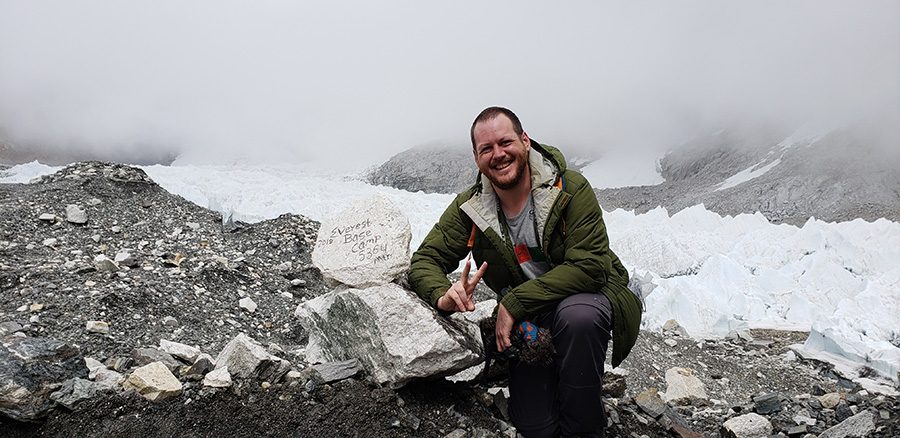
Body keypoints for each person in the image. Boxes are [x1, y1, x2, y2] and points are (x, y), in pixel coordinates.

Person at [409, 107, 642, 438]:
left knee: (578, 319)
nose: (498, 154)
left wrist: (515, 301)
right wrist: (442, 295)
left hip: (582, 300)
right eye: (486, 149)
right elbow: (425, 259)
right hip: (529, 324)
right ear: (476, 158)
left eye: (505, 142)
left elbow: (590, 267)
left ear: (525, 140)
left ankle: (585, 429)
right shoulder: (472, 208)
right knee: (536, 427)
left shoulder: (569, 188)